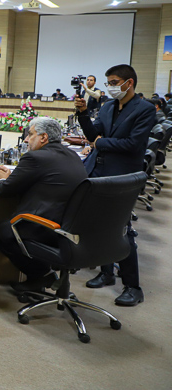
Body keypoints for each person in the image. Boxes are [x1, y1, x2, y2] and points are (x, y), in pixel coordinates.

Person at [74, 64, 155, 306]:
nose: (110, 86)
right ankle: (107, 272)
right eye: (108, 82)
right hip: (98, 171)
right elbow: (93, 135)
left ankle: (133, 286)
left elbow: (133, 144)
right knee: (98, 224)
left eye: (114, 82)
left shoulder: (145, 109)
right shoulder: (108, 106)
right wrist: (83, 113)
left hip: (123, 176)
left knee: (121, 228)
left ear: (129, 83)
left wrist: (101, 143)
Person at [0, 118, 88, 292]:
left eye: (30, 134)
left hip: (45, 227)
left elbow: (5, 189)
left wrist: (4, 179)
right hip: (72, 228)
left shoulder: (35, 157)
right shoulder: (72, 155)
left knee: (0, 232)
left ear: (43, 137)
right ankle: (42, 275)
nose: (26, 139)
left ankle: (41, 275)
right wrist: (13, 177)